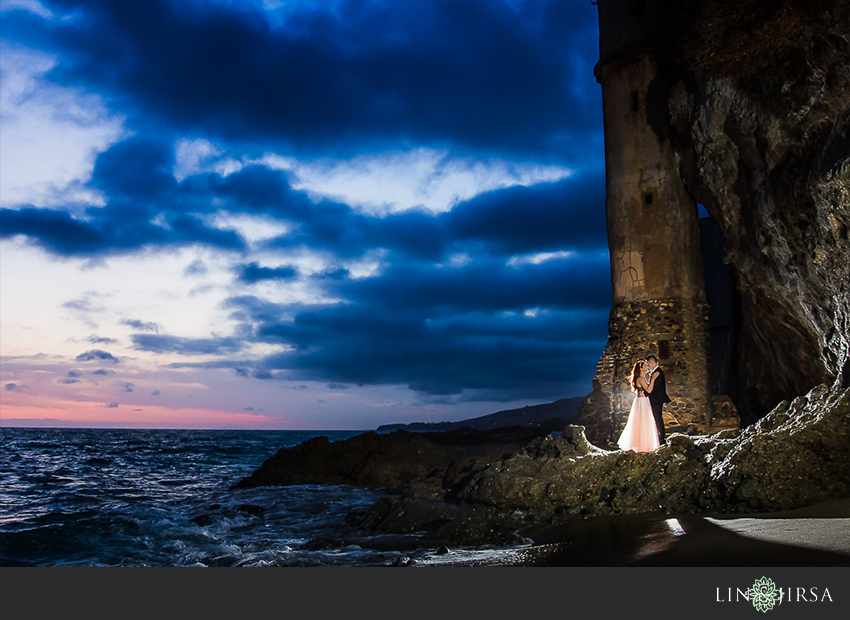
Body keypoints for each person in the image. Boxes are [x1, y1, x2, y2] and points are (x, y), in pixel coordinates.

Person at [617, 360, 660, 452]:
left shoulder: (641, 378)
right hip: (642, 402)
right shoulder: (640, 379)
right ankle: (643, 445)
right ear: (640, 368)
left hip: (643, 401)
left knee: (643, 421)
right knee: (643, 421)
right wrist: (652, 379)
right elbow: (648, 390)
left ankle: (644, 445)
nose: (647, 367)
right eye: (645, 365)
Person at [645, 355, 671, 444]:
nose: (648, 366)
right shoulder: (656, 372)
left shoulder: (658, 372)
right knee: (657, 418)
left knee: (658, 418)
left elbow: (655, 388)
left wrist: (646, 393)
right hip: (656, 399)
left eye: (648, 364)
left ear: (652, 362)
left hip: (657, 400)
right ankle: (659, 436)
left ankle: (661, 438)